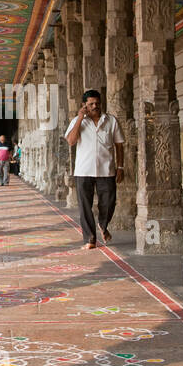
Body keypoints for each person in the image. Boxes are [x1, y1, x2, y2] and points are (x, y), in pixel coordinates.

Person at [65, 89, 124, 250]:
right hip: (84, 171)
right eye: (91, 104)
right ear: (84, 105)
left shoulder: (111, 121)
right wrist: (79, 118)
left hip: (107, 169)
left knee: (109, 202)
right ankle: (90, 238)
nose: (95, 106)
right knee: (85, 206)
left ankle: (103, 225)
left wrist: (120, 166)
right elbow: (71, 141)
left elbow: (119, 145)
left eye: (97, 103)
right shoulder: (78, 121)